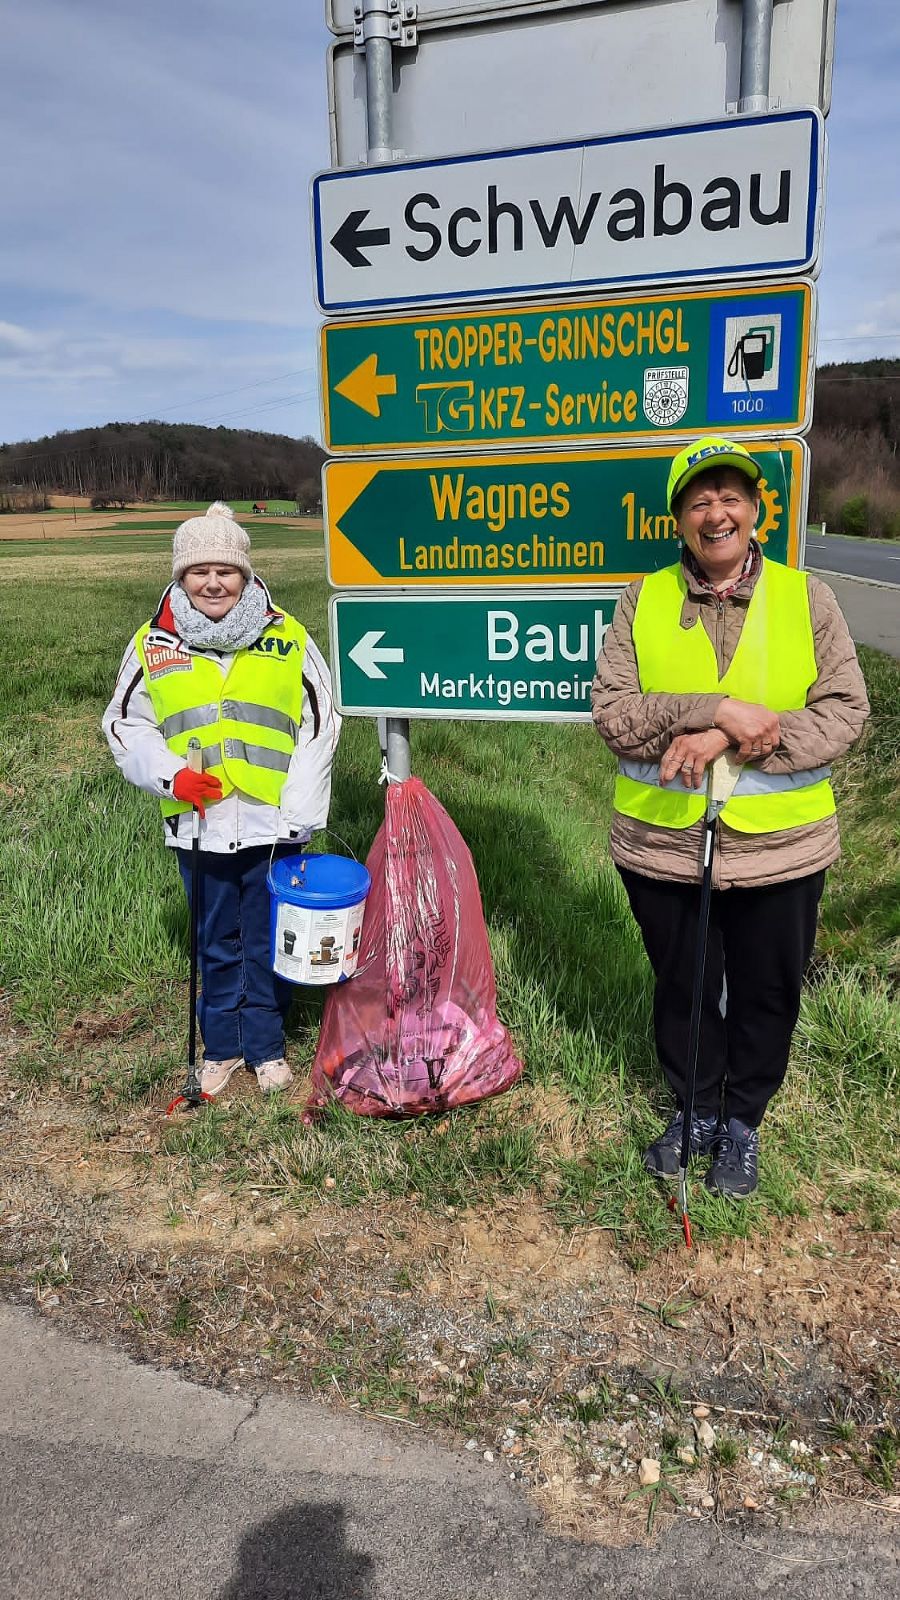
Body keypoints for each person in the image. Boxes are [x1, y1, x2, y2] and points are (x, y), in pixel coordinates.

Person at [591, 437, 869, 1197]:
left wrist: (733, 738)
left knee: (766, 992)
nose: (717, 513)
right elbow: (615, 716)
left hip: (784, 849)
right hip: (661, 845)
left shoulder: (807, 597)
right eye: (699, 501)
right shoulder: (641, 600)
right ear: (679, 519)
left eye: (731, 497)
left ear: (756, 512)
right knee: (683, 986)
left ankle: (742, 1121)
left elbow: (846, 713)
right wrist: (713, 707)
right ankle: (695, 1113)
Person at [103, 501, 341, 1097]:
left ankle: (264, 1045)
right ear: (180, 576)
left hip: (272, 823)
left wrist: (300, 813)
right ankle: (221, 1048)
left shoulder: (287, 635)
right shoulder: (153, 643)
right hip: (198, 823)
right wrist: (168, 776)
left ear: (246, 574)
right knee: (214, 938)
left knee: (265, 937)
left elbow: (321, 721)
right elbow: (124, 725)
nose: (213, 582)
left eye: (225, 571)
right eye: (198, 571)